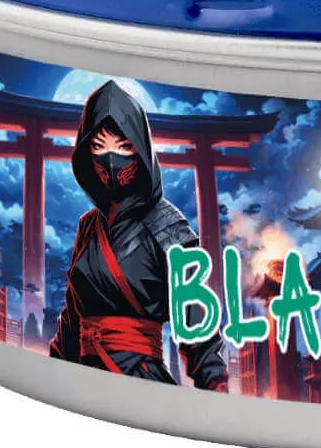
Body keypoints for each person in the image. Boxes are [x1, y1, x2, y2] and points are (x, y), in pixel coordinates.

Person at [50, 80, 227, 390]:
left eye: (122, 146)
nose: (110, 158)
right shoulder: (88, 226)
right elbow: (72, 317)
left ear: (140, 149)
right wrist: (53, 374)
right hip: (82, 378)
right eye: (99, 146)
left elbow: (196, 323)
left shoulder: (166, 224)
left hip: (140, 379)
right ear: (86, 152)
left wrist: (215, 389)